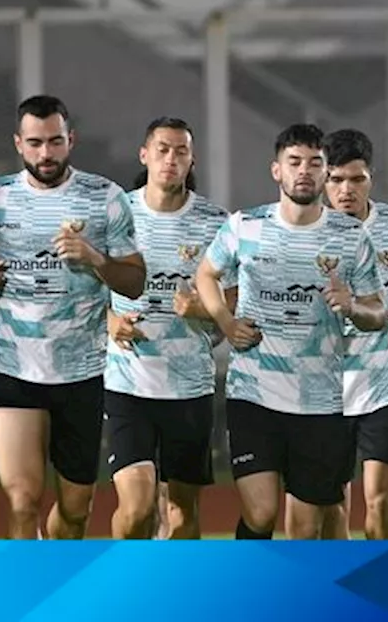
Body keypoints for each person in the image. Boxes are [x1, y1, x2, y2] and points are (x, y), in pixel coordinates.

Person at [0, 95, 145, 540]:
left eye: (55, 142)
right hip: (14, 364)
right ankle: (32, 597)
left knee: (76, 512)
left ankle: (57, 561)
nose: (46, 153)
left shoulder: (105, 198)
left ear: (71, 141)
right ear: (18, 144)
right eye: (36, 143)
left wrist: (95, 259)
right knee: (23, 502)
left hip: (81, 373)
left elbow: (134, 281)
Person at [196, 123, 385, 540]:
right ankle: (248, 588)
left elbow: (378, 312)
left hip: (320, 402)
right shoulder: (246, 226)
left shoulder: (351, 237)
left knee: (304, 528)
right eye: (294, 162)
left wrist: (352, 305)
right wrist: (226, 323)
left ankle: (291, 600)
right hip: (255, 394)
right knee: (261, 513)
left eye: (314, 163)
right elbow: (206, 274)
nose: (304, 171)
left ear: (324, 173)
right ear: (276, 171)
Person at [104, 117, 231, 540]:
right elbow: (81, 292)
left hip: (190, 387)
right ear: (145, 155)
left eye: (180, 151)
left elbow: (240, 297)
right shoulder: (115, 212)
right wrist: (109, 321)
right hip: (128, 383)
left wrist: (204, 307)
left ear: (191, 160)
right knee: (138, 509)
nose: (171, 159)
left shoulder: (216, 222)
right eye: (162, 149)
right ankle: (127, 587)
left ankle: (175, 598)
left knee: (182, 513)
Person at [308, 129, 388, 541]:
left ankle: (383, 584)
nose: (346, 190)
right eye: (337, 180)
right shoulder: (302, 231)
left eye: (356, 180)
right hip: (324, 387)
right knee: (331, 505)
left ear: (371, 179)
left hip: (386, 383)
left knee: (380, 499)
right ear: (323, 179)